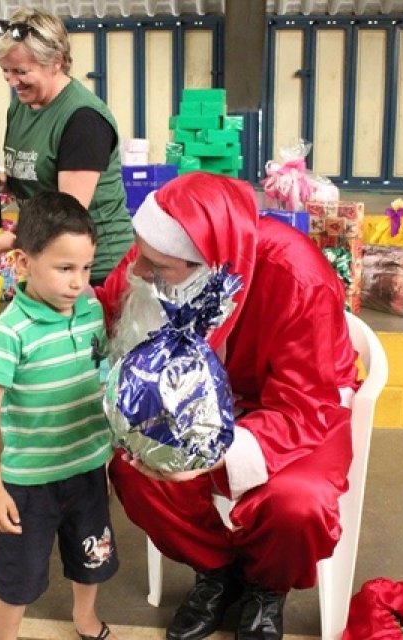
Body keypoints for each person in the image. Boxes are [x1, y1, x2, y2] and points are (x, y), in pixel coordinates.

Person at [97, 172, 359, 640]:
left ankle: (266, 586)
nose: (138, 272)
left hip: (297, 412)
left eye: (156, 267)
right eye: (139, 255)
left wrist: (211, 455)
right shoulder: (158, 254)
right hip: (197, 405)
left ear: (209, 265)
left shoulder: (299, 276)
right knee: (135, 470)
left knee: (298, 505)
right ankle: (217, 571)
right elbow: (108, 303)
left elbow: (304, 404)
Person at [0, 191, 118, 640]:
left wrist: (108, 455)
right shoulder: (9, 331)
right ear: (23, 262)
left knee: (92, 556)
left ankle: (84, 617)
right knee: (19, 574)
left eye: (86, 268)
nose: (78, 282)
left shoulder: (91, 309)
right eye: (64, 268)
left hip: (87, 469)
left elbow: (102, 374)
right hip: (29, 482)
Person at [0, 8, 133, 287]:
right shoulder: (22, 106)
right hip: (45, 257)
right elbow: (40, 177)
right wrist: (6, 183)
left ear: (56, 62)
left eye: (21, 71)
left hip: (94, 271)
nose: (12, 81)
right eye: (5, 71)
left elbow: (66, 216)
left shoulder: (83, 120)